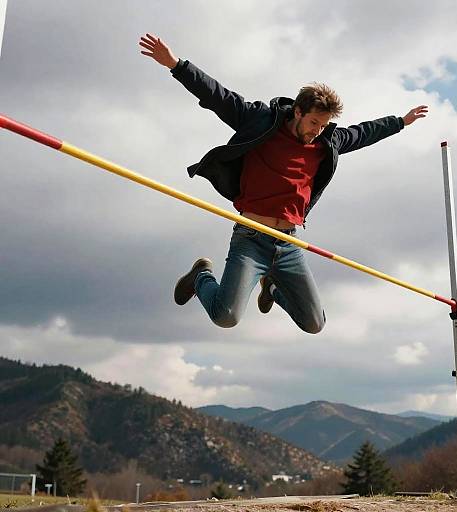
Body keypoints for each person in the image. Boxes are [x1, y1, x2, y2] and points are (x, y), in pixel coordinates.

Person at [139, 33, 428, 334]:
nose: (318, 131)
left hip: (289, 245)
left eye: (324, 125)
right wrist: (175, 64)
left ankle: (273, 290)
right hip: (251, 239)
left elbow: (363, 132)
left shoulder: (328, 142)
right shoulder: (261, 120)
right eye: (314, 123)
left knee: (314, 324)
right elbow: (219, 97)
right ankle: (201, 277)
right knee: (226, 316)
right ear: (298, 112)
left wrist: (400, 122)